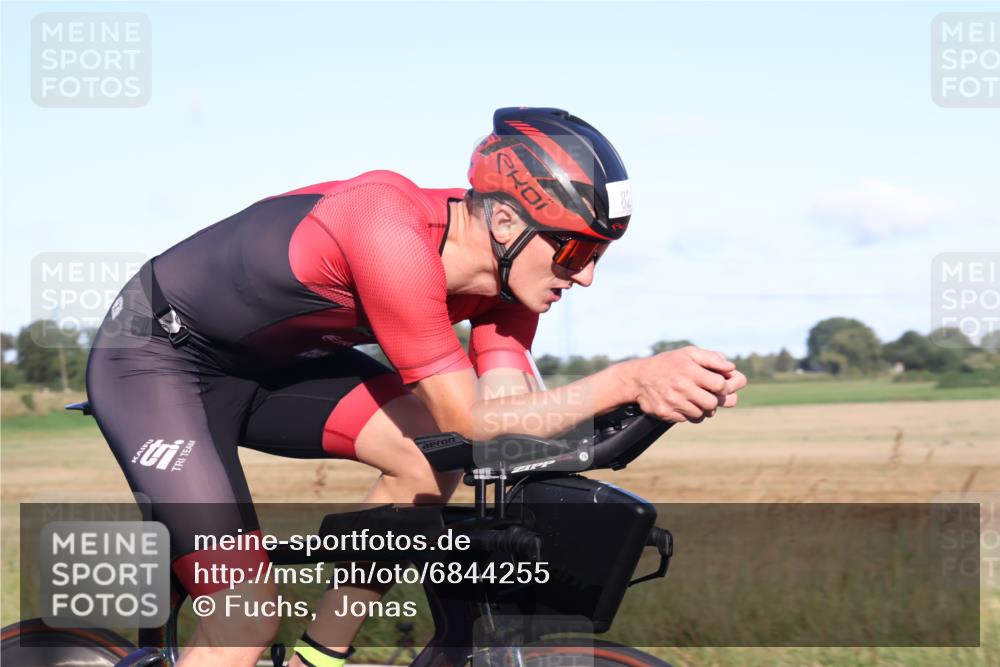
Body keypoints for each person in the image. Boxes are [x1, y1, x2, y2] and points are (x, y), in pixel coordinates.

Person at [86, 107, 746, 667]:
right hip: (156, 360)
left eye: (599, 255)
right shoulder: (388, 231)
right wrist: (630, 375)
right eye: (575, 252)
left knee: (429, 459)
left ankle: (321, 655)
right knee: (246, 616)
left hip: (275, 366)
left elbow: (506, 422)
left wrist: (649, 402)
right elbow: (468, 416)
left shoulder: (510, 285)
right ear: (509, 225)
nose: (586, 277)